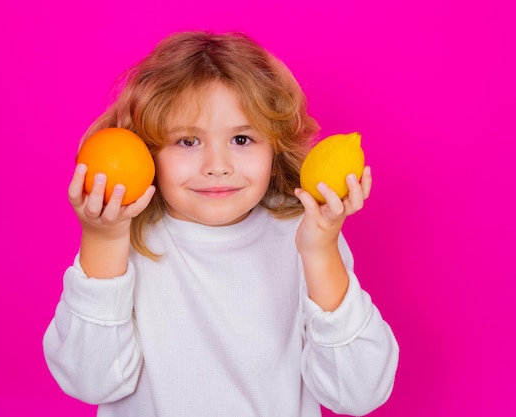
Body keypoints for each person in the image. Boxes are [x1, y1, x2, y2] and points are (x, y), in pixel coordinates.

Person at [43, 31, 399, 417]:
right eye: (187, 141)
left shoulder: (302, 234)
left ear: (274, 146)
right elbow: (90, 381)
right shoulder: (125, 237)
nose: (217, 165)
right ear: (147, 150)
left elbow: (360, 393)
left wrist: (320, 252)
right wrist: (103, 239)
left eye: (242, 139)